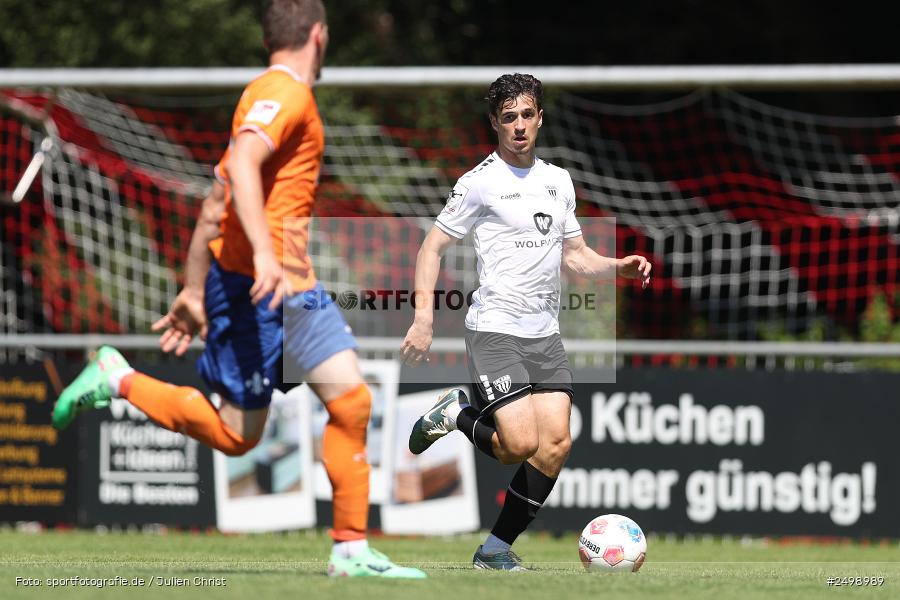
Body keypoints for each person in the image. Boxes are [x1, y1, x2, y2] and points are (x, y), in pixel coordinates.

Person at [52, 0, 424, 579]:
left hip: (294, 287)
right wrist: (258, 260)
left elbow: (215, 202)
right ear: (319, 36)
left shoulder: (271, 98)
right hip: (257, 287)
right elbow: (244, 167)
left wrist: (193, 288)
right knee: (236, 436)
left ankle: (351, 552)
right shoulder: (285, 95)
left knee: (352, 401)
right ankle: (116, 376)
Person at [400, 73, 651, 571]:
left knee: (555, 444)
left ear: (540, 117)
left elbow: (576, 256)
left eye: (527, 114)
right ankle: (457, 414)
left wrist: (616, 266)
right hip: (495, 328)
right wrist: (423, 318)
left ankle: (494, 550)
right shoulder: (479, 182)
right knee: (518, 445)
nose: (519, 125)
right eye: (508, 117)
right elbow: (432, 247)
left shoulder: (558, 181)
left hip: (545, 335)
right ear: (495, 122)